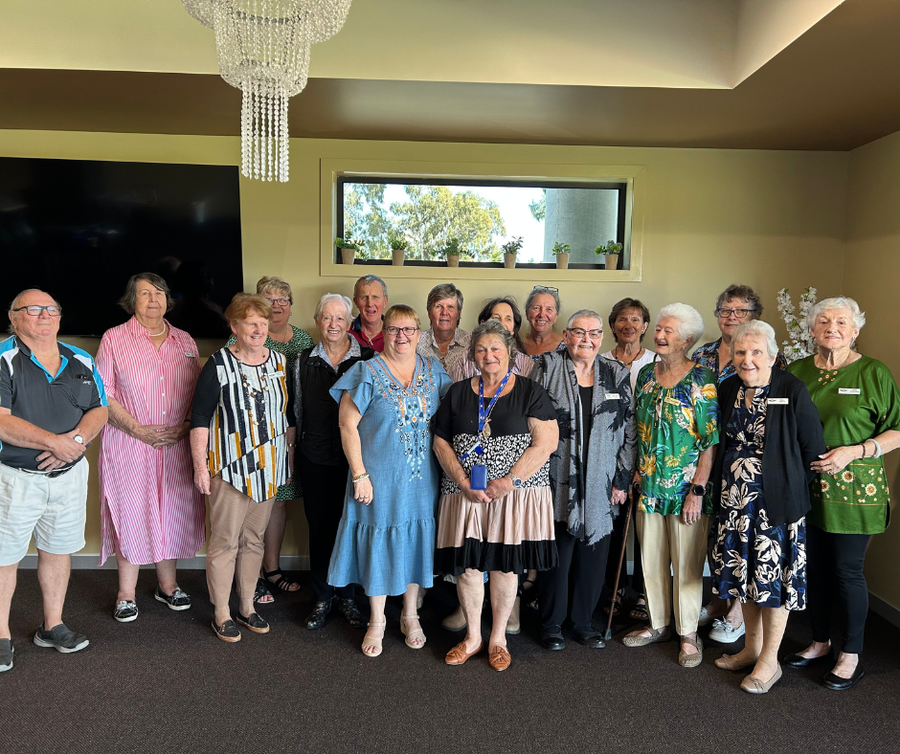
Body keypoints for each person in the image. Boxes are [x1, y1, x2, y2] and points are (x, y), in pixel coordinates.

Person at [786, 296, 900, 690]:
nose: (831, 327)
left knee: (846, 570)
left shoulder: (874, 372)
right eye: (823, 321)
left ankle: (851, 654)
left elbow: (897, 431)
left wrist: (855, 451)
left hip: (856, 491)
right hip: (807, 487)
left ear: (855, 331)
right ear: (812, 330)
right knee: (813, 568)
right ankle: (819, 642)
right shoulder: (797, 370)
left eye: (841, 322)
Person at [433, 320, 559, 671]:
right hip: (465, 494)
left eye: (495, 349)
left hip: (511, 495)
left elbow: (546, 442)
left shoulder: (530, 391)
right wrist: (461, 480)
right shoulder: (457, 393)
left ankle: (498, 638)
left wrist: (509, 481)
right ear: (472, 356)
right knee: (469, 567)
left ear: (510, 354)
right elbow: (440, 440)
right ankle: (472, 636)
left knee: (505, 566)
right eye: (481, 350)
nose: (488, 356)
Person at [327, 305, 451, 658]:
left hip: (421, 479)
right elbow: (346, 424)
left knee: (416, 542)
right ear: (385, 332)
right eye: (395, 329)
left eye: (409, 330)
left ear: (419, 333)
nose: (402, 336)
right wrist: (359, 475)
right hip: (376, 480)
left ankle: (411, 615)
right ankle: (377, 620)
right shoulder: (366, 371)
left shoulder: (433, 370)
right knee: (378, 546)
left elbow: (452, 414)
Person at [710, 320, 825, 694]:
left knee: (773, 581)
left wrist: (784, 486)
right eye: (741, 352)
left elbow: (812, 448)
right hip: (733, 503)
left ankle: (769, 661)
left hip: (775, 507)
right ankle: (751, 648)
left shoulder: (791, 388)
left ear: (773, 356)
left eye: (757, 352)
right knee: (744, 578)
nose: (748, 359)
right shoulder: (728, 388)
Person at [0, 290, 109, 672]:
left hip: (68, 476)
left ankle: (53, 625)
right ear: (14, 318)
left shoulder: (80, 358)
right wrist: (54, 442)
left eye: (52, 309)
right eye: (34, 309)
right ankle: (1, 635)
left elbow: (99, 409)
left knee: (58, 549)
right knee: (4, 558)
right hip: (14, 479)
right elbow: (1, 419)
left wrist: (76, 442)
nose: (45, 315)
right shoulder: (3, 359)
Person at [96, 273, 205, 623]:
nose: (154, 299)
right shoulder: (114, 339)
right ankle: (125, 593)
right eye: (145, 293)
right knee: (131, 512)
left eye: (159, 292)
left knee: (171, 510)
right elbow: (104, 394)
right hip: (128, 443)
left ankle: (167, 586)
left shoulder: (184, 340)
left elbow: (198, 393)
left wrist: (186, 427)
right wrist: (137, 429)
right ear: (133, 300)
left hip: (175, 444)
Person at [190, 293, 295, 642]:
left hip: (268, 471)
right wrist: (200, 467)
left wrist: (287, 460)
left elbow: (288, 416)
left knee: (254, 541)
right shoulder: (218, 364)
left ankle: (247, 606)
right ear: (234, 326)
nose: (258, 329)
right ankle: (221, 612)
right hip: (230, 470)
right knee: (224, 543)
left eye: (263, 323)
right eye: (251, 322)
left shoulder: (280, 362)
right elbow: (200, 418)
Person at [532, 310, 636, 650]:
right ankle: (551, 624)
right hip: (556, 477)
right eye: (579, 332)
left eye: (593, 333)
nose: (586, 339)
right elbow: (529, 421)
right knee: (556, 556)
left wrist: (621, 478)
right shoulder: (546, 367)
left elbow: (630, 430)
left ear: (601, 339)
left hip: (602, 482)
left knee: (593, 556)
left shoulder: (617, 373)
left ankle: (582, 622)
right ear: (566, 335)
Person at [623, 303, 719, 669]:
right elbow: (637, 427)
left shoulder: (701, 379)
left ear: (688, 340)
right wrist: (634, 471)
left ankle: (689, 633)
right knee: (650, 558)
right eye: (659, 329)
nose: (659, 336)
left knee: (688, 563)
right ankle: (658, 622)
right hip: (648, 483)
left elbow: (709, 441)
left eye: (668, 331)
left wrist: (698, 489)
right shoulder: (646, 374)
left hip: (685, 490)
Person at [693, 284, 788, 644]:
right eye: (725, 310)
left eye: (741, 311)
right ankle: (720, 600)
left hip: (752, 470)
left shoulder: (772, 360)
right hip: (713, 458)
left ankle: (737, 614)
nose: (731, 317)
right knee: (721, 535)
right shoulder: (701, 355)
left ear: (755, 317)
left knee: (747, 540)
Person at [227, 277, 311, 604]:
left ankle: (272, 569)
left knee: (279, 501)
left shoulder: (303, 338)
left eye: (283, 299)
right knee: (251, 503)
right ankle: (253, 575)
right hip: (252, 436)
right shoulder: (243, 337)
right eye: (269, 299)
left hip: (291, 434)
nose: (277, 305)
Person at [294, 293, 374, 631]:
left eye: (340, 318)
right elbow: (294, 411)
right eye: (327, 318)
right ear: (317, 320)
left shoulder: (368, 360)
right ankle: (322, 597)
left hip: (356, 463)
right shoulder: (301, 361)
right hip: (314, 459)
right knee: (321, 530)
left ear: (350, 323)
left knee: (353, 530)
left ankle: (349, 598)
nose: (333, 324)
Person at [601, 297, 656, 621]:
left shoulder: (655, 361)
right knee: (616, 527)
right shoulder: (602, 360)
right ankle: (615, 589)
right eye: (622, 319)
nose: (629, 325)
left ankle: (645, 595)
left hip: (650, 456)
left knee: (646, 532)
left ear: (645, 326)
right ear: (613, 326)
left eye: (636, 320)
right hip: (613, 457)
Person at [449, 297, 534, 381]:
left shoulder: (527, 364)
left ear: (513, 329)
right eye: (496, 318)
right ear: (483, 324)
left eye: (508, 319)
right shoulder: (463, 362)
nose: (502, 324)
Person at [417, 283, 470, 371]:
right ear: (429, 313)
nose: (444, 312)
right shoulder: (416, 342)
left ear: (458, 314)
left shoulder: (472, 342)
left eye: (450, 307)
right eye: (438, 307)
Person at [522, 286, 565, 360]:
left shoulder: (567, 348)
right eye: (537, 308)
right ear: (527, 314)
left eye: (549, 309)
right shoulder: (516, 346)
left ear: (556, 316)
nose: (542, 315)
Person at [349, 275, 388, 352]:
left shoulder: (397, 333)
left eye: (375, 297)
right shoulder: (345, 332)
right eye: (364, 297)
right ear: (356, 302)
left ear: (385, 302)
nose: (370, 304)